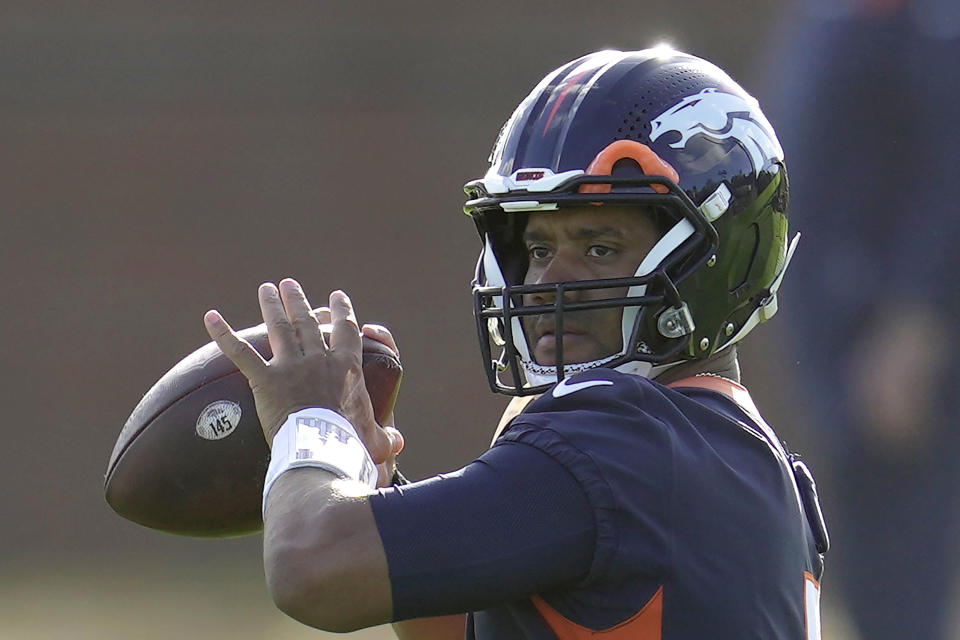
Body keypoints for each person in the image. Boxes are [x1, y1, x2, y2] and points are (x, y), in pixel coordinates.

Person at [203, 48, 828, 639]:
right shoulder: (747, 461)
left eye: (599, 248)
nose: (547, 281)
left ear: (716, 263)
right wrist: (380, 482)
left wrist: (310, 425)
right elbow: (457, 622)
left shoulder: (621, 437)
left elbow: (312, 567)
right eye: (537, 249)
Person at [762, 2, 960, 637]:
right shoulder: (824, 26)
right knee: (864, 549)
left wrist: (916, 323)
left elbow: (945, 182)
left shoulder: (926, 32)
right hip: (836, 335)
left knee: (902, 558)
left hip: (891, 339)